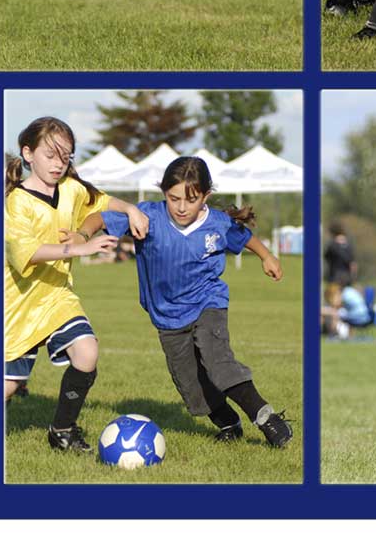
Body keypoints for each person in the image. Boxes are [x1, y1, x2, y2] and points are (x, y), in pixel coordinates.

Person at [2, 117, 148, 454]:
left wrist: (131, 210)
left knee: (87, 352)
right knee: (7, 387)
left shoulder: (71, 188)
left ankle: (62, 430)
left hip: (57, 296)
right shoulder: (15, 203)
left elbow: (103, 201)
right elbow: (29, 252)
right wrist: (81, 247)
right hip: (18, 304)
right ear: (28, 154)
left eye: (65, 156)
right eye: (50, 155)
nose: (58, 164)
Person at [125, 156, 293, 447]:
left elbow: (244, 236)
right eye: (173, 198)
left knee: (218, 361)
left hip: (208, 301)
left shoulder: (217, 222)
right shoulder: (147, 216)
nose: (180, 207)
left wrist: (267, 256)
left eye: (190, 200)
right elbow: (101, 216)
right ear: (163, 192)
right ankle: (229, 423)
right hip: (167, 315)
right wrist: (85, 232)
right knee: (192, 387)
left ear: (206, 196)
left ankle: (266, 418)